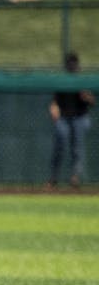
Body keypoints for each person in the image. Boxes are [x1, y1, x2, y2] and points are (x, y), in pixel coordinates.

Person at [47, 52, 95, 190]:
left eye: (73, 65)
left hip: (80, 117)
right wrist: (53, 108)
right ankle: (53, 178)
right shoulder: (62, 81)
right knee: (59, 145)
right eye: (70, 65)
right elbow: (54, 101)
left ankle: (75, 177)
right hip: (64, 118)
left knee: (77, 148)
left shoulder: (83, 81)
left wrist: (86, 96)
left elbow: (92, 102)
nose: (72, 68)